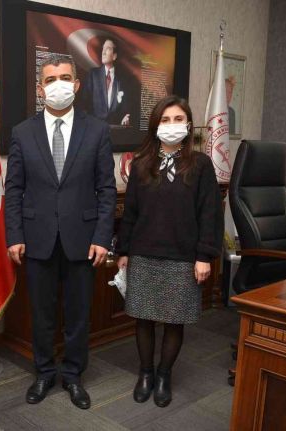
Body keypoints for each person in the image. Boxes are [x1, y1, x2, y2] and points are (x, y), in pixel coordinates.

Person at [5, 54, 116, 410]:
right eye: (50, 80)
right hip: (36, 239)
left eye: (65, 78)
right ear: (40, 89)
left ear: (77, 85)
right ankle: (43, 373)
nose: (58, 85)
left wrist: (102, 237)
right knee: (41, 315)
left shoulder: (96, 130)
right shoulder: (22, 132)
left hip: (82, 240)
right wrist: (14, 235)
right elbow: (14, 189)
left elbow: (106, 189)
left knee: (78, 314)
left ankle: (72, 376)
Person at [116, 95, 223, 408]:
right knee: (143, 319)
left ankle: (164, 374)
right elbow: (130, 213)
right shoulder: (140, 164)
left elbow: (209, 213)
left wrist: (204, 256)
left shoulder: (200, 165)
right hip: (144, 255)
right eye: (165, 120)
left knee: (175, 320)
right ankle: (145, 373)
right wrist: (124, 251)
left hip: (183, 258)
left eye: (178, 119)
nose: (172, 125)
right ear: (155, 125)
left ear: (188, 125)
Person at [81, 38, 139, 127]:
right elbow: (84, 103)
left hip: (115, 128)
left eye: (107, 48)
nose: (103, 52)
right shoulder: (93, 74)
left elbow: (126, 106)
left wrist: (126, 117)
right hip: (94, 127)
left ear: (114, 56)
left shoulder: (123, 79)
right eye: (103, 49)